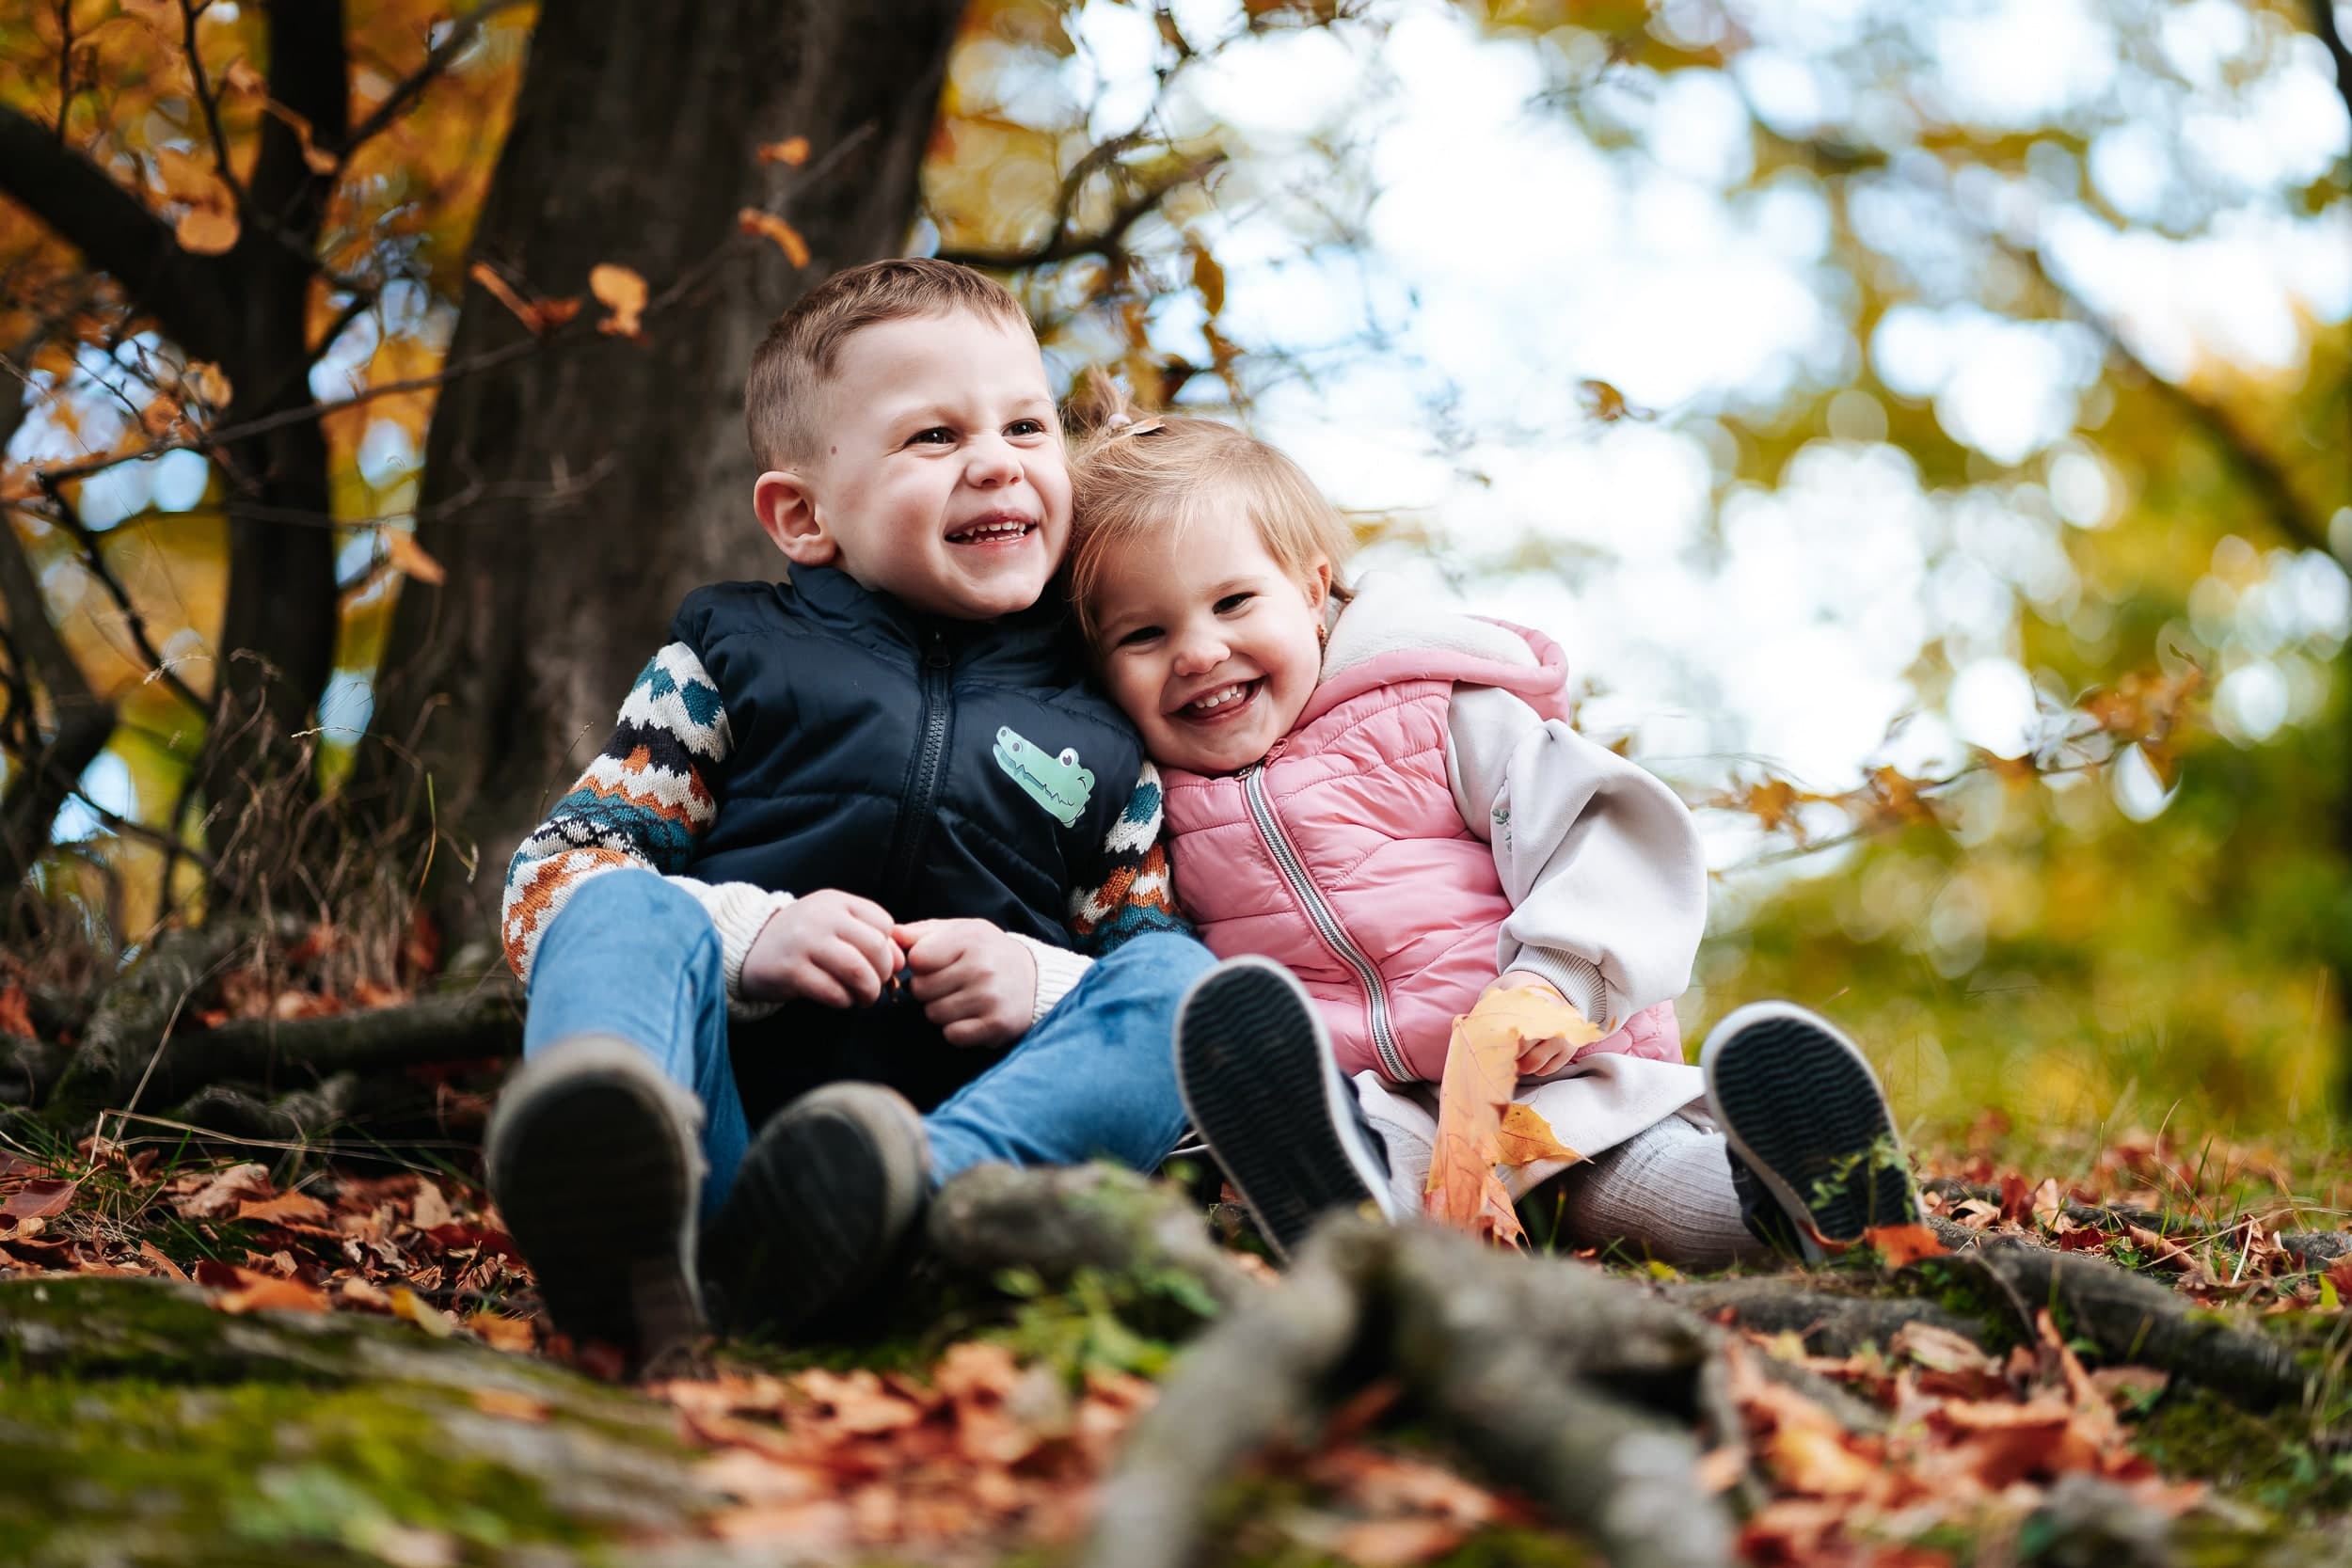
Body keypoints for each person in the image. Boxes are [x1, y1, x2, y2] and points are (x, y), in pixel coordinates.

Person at [484, 261, 1213, 1367]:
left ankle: (897, 1196)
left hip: (949, 1201)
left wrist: (1036, 981)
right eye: (933, 437)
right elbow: (550, 880)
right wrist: (749, 933)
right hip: (713, 1158)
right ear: (802, 514)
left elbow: (1147, 993)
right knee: (622, 899)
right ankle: (608, 1182)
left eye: (1026, 424)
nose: (995, 462)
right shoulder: (730, 660)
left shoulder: (1105, 736)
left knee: (1182, 987)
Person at [1064, 402, 1920, 1265]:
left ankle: (1812, 1206)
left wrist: (1558, 978)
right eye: (1145, 633)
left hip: (1544, 1079)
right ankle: (1339, 1217)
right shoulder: (1148, 811)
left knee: (1635, 1179)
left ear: (1312, 589)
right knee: (1348, 1149)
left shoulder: (1432, 710)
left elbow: (1601, 827)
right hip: (1367, 1107)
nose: (1199, 651)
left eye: (1233, 601)